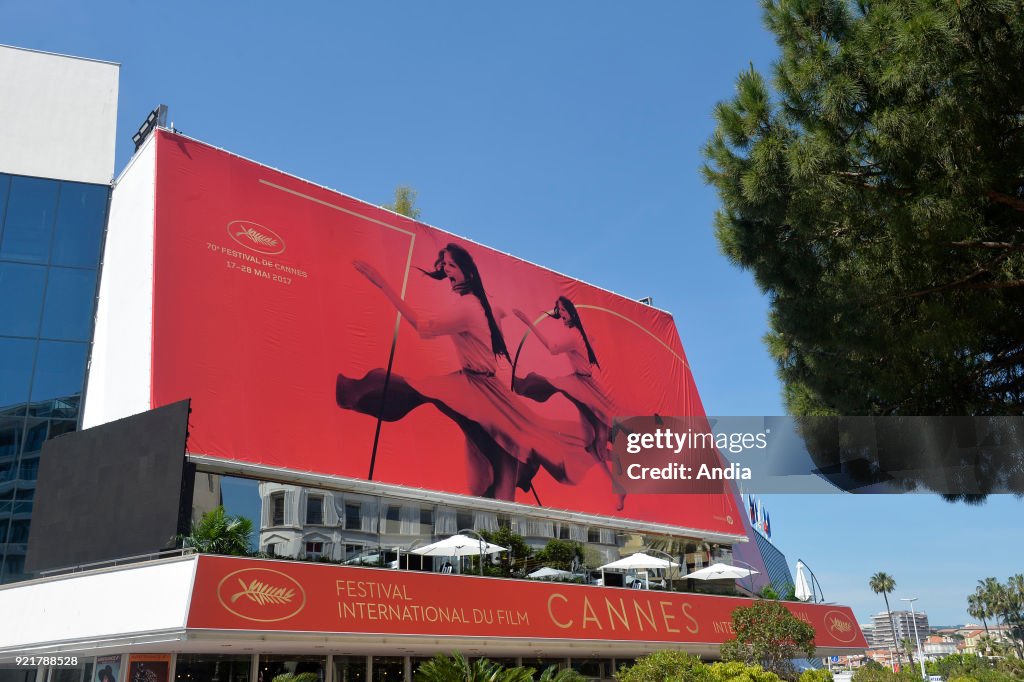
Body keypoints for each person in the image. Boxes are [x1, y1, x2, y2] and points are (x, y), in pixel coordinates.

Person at [336, 243, 589, 501]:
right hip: (477, 385)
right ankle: (495, 514)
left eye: (451, 265)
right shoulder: (478, 303)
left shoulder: (468, 307)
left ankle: (501, 518)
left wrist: (382, 284)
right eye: (444, 265)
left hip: (482, 391)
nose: (446, 270)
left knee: (504, 456)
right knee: (494, 457)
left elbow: (424, 327)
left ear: (467, 273)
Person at [513, 296, 627, 510]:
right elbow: (589, 341)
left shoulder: (574, 336)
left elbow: (552, 347)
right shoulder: (581, 334)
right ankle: (619, 484)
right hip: (582, 386)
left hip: (584, 388)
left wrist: (527, 321)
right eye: (559, 311)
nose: (561, 315)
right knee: (593, 446)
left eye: (563, 311)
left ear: (572, 312)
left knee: (600, 439)